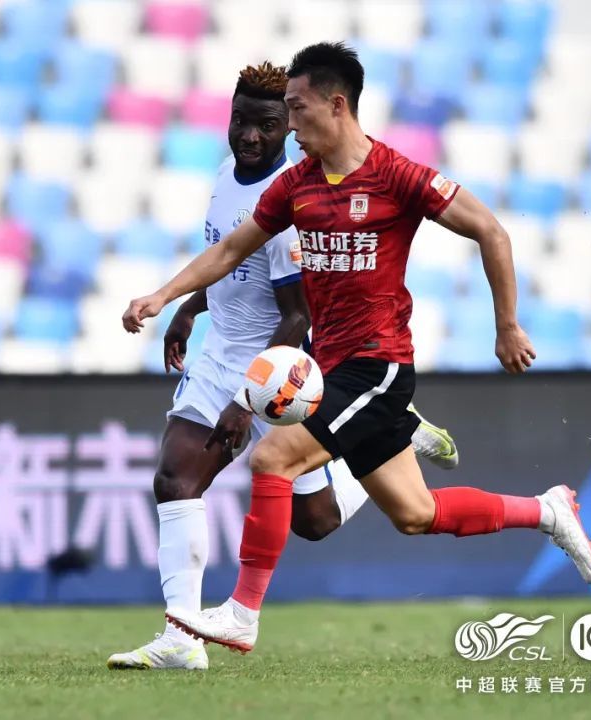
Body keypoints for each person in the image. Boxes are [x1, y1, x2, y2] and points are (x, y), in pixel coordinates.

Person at [122, 43, 591, 656]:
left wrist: (506, 324)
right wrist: (164, 297)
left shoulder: (398, 176)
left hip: (377, 364)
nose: (290, 125)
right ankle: (547, 510)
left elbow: (490, 230)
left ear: (337, 105)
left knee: (272, 460)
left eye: (297, 109)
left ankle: (242, 614)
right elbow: (230, 251)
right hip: (332, 367)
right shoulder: (297, 185)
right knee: (415, 514)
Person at [108, 62, 458, 671]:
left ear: (287, 126)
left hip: (278, 369)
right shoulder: (226, 174)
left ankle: (383, 431)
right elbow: (229, 260)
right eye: (239, 121)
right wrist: (187, 308)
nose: (250, 136)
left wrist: (248, 401)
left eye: (267, 125)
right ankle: (181, 638)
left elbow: (298, 315)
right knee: (175, 479)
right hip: (219, 355)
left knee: (315, 522)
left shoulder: (294, 201)